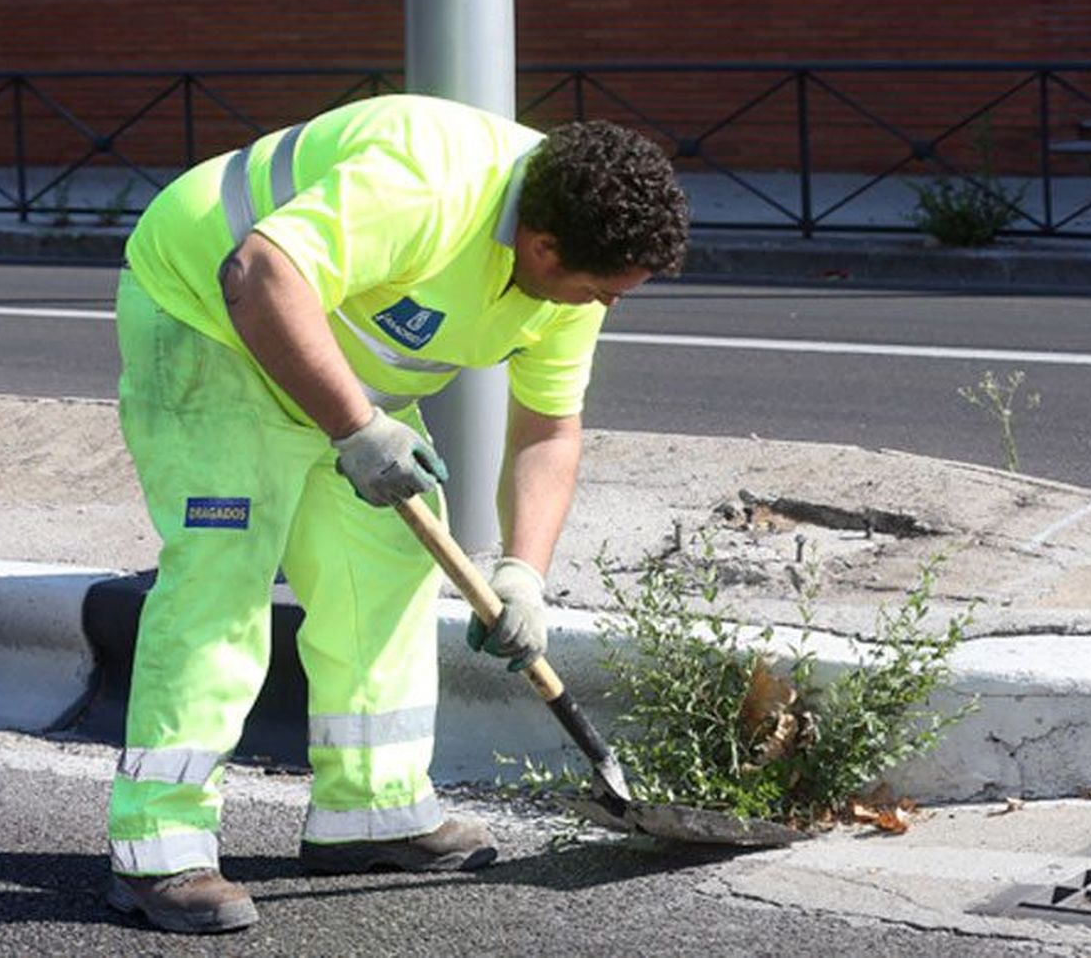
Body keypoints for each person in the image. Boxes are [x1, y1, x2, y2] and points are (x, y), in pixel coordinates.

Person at [104, 92, 689, 934]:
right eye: (600, 290)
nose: (605, 307)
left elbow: (548, 429)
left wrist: (523, 574)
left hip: (329, 359)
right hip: (209, 319)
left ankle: (371, 809)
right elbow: (256, 275)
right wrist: (358, 430)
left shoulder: (567, 279)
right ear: (543, 246)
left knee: (388, 559)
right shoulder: (428, 184)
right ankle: (159, 845)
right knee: (222, 574)